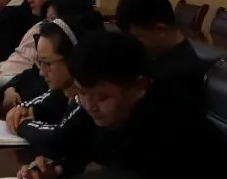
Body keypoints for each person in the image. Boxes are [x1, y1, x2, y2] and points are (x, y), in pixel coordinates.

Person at [16, 31, 224, 179]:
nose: (90, 106)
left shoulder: (167, 126)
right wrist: (56, 169)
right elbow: (80, 149)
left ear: (140, 87)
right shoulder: (102, 111)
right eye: (81, 92)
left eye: (103, 97)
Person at [5, 15, 102, 156]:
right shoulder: (61, 92)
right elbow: (25, 108)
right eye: (40, 63)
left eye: (48, 63)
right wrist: (20, 112)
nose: (42, 72)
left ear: (72, 59)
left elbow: (59, 139)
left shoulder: (87, 97)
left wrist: (23, 124)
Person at [114, 0, 213, 120]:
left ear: (160, 29)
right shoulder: (157, 56)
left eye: (137, 38)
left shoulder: (179, 77)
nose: (131, 45)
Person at [0, 0, 99, 110]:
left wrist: (23, 112)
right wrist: (11, 89)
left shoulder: (84, 96)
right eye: (47, 21)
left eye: (53, 20)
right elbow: (31, 75)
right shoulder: (57, 81)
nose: (42, 72)